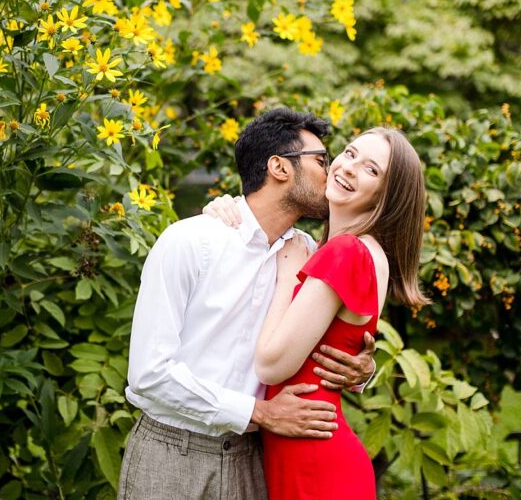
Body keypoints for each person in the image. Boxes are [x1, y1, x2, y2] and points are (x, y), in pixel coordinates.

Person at [118, 109, 377, 500]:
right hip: (172, 452)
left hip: (251, 458)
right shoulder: (190, 242)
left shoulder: (306, 253)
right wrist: (261, 414)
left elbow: (326, 340)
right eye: (321, 161)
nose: (333, 171)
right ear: (279, 167)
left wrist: (362, 369)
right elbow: (149, 375)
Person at [204, 127, 429, 499]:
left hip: (315, 462)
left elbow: (272, 364)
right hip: (303, 452)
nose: (350, 168)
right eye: (351, 153)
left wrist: (288, 272)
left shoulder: (347, 252)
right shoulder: (342, 248)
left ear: (388, 196)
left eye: (372, 170)